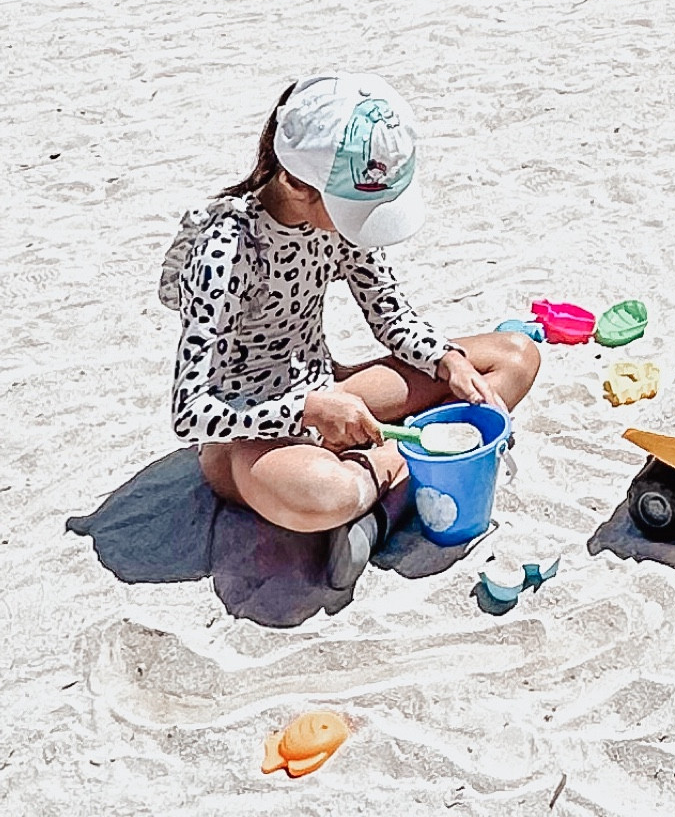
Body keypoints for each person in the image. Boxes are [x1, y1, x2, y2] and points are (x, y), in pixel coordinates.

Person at [160, 72, 540, 590]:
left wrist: (445, 361)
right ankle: (410, 477)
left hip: (331, 392)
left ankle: (388, 495)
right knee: (325, 495)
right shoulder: (228, 251)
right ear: (295, 182)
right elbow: (189, 413)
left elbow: (390, 315)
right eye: (352, 209)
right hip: (251, 438)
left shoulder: (335, 220)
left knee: (514, 358)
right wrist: (306, 410)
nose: (360, 223)